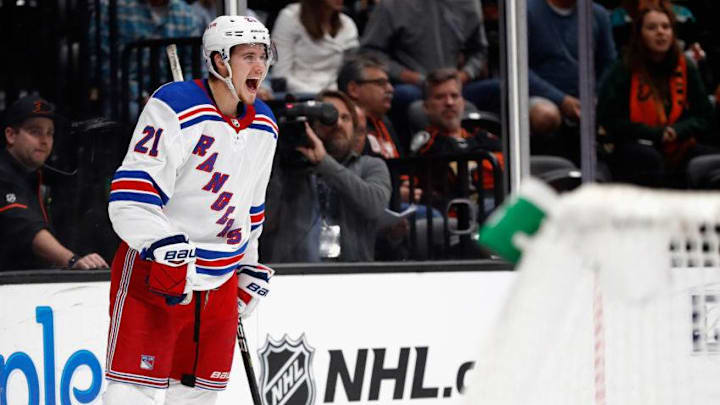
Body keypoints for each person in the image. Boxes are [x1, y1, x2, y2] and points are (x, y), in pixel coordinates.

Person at [103, 15, 277, 404]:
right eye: (248, 56)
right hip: (159, 272)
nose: (260, 66)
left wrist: (248, 264)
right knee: (133, 393)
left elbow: (250, 209)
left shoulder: (265, 124)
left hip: (220, 281)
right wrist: (162, 243)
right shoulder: (175, 105)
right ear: (219, 62)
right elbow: (130, 197)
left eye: (263, 55)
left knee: (197, 396)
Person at [261, 90, 391, 262]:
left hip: (353, 276)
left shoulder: (370, 166)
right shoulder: (287, 168)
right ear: (312, 126)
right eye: (328, 117)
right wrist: (279, 160)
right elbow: (265, 222)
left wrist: (324, 163)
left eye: (345, 118)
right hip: (295, 276)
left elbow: (374, 207)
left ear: (354, 126)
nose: (338, 124)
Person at [597, 4, 716, 187]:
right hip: (635, 144)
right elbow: (609, 120)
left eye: (666, 27)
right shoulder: (624, 69)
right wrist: (655, 134)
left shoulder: (686, 66)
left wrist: (677, 131)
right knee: (649, 160)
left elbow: (705, 116)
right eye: (652, 28)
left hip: (678, 144)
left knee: (711, 160)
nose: (660, 33)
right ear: (640, 35)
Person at [0, 95, 109, 271]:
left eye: (50, 133)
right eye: (35, 131)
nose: (44, 141)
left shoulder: (41, 177)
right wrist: (72, 260)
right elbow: (26, 227)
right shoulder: (3, 174)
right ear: (11, 135)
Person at [359, 0, 490, 145]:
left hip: (458, 83)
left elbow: (480, 51)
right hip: (415, 84)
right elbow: (370, 52)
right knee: (404, 95)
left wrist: (466, 74)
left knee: (502, 90)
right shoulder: (392, 4)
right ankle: (417, 155)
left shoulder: (469, 3)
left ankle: (498, 152)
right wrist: (405, 75)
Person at [411, 68, 503, 211]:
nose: (449, 103)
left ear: (463, 102)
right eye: (440, 97)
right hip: (456, 214)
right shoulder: (426, 144)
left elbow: (505, 167)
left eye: (455, 96)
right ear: (426, 107)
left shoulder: (482, 136)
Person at [89, 0, 201, 117]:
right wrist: (141, 96)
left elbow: (194, 66)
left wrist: (180, 95)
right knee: (135, 115)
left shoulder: (186, 14)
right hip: (128, 98)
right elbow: (102, 63)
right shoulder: (111, 8)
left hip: (175, 98)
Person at [271, 0, 359, 95]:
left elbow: (350, 73)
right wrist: (319, 95)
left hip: (335, 96)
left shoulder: (347, 25)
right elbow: (280, 76)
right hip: (297, 96)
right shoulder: (290, 17)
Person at [338, 54, 403, 159]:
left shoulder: (386, 123)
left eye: (389, 83)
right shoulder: (342, 125)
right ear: (353, 89)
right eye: (381, 83)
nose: (390, 89)